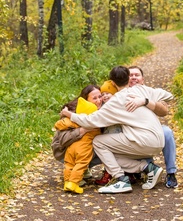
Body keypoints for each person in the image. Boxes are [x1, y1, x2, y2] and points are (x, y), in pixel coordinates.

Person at [61, 65, 173, 194]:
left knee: (98, 142)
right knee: (111, 153)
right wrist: (145, 100)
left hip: (144, 141)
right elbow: (168, 95)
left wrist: (69, 114)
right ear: (128, 78)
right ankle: (149, 168)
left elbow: (90, 121)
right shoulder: (140, 90)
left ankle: (121, 180)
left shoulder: (115, 102)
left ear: (112, 83)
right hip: (159, 141)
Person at [128, 66, 178, 188]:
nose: (134, 77)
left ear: (142, 79)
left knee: (167, 132)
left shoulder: (150, 92)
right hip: (129, 129)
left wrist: (146, 101)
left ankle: (171, 172)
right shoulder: (121, 93)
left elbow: (164, 111)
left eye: (137, 75)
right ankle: (138, 170)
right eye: (130, 75)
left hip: (151, 128)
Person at [53, 85, 102, 193]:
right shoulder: (72, 112)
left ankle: (75, 177)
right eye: (94, 98)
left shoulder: (101, 111)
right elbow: (63, 140)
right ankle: (73, 181)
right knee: (78, 160)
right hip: (64, 149)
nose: (99, 101)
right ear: (85, 100)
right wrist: (83, 129)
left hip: (84, 147)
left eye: (100, 96)